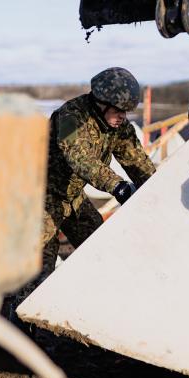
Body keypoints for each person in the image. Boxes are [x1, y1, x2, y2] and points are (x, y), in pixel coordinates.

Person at [40, 67, 156, 285]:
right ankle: (14, 318)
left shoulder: (117, 126)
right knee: (36, 277)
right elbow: (79, 158)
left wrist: (156, 189)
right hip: (41, 199)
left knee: (102, 252)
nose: (122, 116)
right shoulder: (69, 117)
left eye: (126, 112)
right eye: (118, 110)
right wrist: (118, 186)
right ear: (101, 102)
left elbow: (137, 161)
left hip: (72, 198)